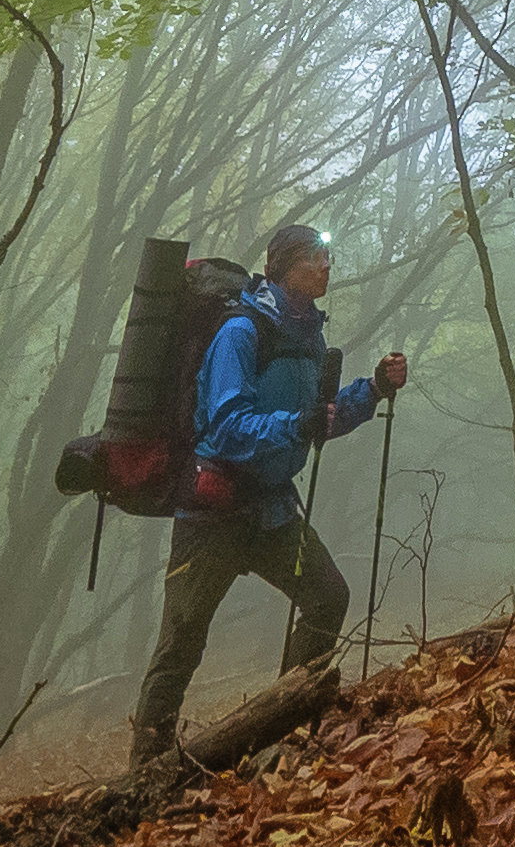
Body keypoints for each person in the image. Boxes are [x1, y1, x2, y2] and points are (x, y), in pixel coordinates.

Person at [125, 221, 406, 774]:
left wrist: (372, 390)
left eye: (327, 259)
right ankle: (145, 771)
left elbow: (316, 422)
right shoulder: (241, 333)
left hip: (272, 509)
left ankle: (286, 729)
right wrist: (295, 424)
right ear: (282, 267)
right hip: (212, 511)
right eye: (313, 260)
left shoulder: (308, 337)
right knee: (182, 641)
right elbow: (226, 426)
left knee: (327, 597)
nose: (326, 268)